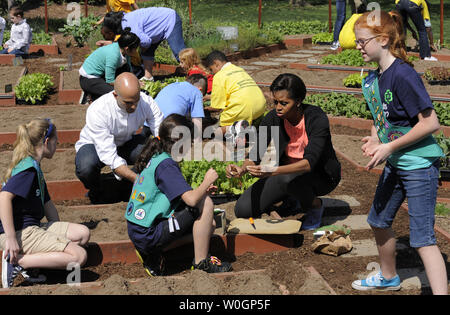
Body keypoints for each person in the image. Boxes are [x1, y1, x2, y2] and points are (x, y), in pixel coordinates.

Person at [351, 11, 447, 293]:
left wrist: (389, 146)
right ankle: (388, 276)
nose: (357, 46)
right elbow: (378, 117)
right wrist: (373, 140)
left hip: (418, 164)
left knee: (423, 240)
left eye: (361, 41)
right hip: (396, 162)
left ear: (382, 40)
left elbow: (431, 122)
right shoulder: (373, 78)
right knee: (378, 221)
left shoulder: (403, 75)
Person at [226, 73, 341, 231]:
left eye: (284, 103)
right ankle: (291, 198)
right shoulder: (273, 118)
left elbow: (308, 164)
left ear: (299, 101)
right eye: (275, 102)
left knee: (287, 179)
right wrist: (243, 168)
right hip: (283, 176)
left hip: (321, 176)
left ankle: (315, 205)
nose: (278, 107)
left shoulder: (316, 118)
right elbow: (256, 153)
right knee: (243, 209)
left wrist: (272, 171)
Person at [126, 114, 232, 276]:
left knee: (208, 225)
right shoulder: (167, 165)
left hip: (139, 230)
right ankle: (201, 263)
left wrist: (202, 190)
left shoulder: (157, 156)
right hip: (148, 234)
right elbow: (191, 199)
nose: (190, 147)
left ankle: (152, 253)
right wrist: (206, 182)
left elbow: (180, 194)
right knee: (206, 203)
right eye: (189, 143)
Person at [0, 119, 90, 288]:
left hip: (31, 227)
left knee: (83, 233)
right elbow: (3, 197)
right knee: (79, 256)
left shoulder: (34, 165)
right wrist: (11, 238)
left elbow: (47, 203)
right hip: (21, 232)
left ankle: (36, 266)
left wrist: (57, 234)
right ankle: (19, 261)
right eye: (56, 141)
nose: (58, 144)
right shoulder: (28, 169)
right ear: (47, 142)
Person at [75, 72, 164, 204]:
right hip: (94, 145)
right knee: (86, 167)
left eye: (136, 101)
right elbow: (108, 154)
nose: (133, 106)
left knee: (155, 154)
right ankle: (97, 190)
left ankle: (126, 188)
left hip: (126, 141)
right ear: (115, 95)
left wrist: (161, 146)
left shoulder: (146, 102)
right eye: (128, 103)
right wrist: (138, 179)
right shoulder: (98, 110)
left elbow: (158, 127)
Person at [103, 7, 186, 82]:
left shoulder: (130, 26)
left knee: (179, 53)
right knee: (146, 51)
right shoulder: (124, 20)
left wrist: (142, 48)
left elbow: (146, 41)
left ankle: (194, 73)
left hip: (169, 19)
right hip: (156, 26)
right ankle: (148, 77)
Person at [204, 50, 266, 145]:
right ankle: (245, 128)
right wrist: (210, 97)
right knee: (244, 114)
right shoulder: (238, 69)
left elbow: (217, 106)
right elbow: (235, 90)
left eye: (211, 69)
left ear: (216, 64)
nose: (212, 73)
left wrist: (205, 109)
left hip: (243, 108)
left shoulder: (219, 75)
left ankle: (234, 127)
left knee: (215, 133)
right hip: (260, 106)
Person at [79, 28, 140, 101]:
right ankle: (91, 95)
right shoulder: (113, 55)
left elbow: (129, 70)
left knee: (125, 69)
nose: (136, 51)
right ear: (127, 48)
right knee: (117, 93)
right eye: (135, 48)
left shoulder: (124, 51)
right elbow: (110, 81)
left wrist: (135, 81)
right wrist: (129, 85)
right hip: (89, 78)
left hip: (102, 74)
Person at [150, 74, 207, 142]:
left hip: (148, 121)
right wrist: (198, 141)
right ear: (200, 89)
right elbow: (197, 119)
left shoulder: (173, 85)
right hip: (167, 126)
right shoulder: (197, 92)